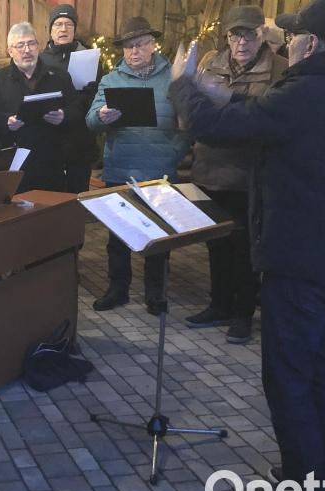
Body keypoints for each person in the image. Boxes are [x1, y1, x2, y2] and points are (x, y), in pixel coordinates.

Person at [169, 0, 325, 491]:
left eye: (292, 36)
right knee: (322, 375)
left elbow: (218, 127)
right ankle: (324, 480)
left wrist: (183, 83)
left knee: (289, 377)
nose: (282, 42)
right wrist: (220, 93)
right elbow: (259, 118)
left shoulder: (310, 91)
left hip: (301, 258)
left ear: (312, 43)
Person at [184, 6, 287, 343]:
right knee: (216, 244)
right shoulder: (209, 65)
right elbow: (192, 113)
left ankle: (242, 314)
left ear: (262, 35)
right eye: (234, 34)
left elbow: (267, 121)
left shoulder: (279, 70)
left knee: (244, 249)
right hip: (209, 169)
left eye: (248, 34)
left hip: (248, 176)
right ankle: (219, 304)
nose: (240, 41)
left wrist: (224, 114)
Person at [85, 17, 188, 314]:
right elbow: (91, 121)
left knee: (158, 238)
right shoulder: (111, 80)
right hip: (122, 169)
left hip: (160, 170)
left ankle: (156, 294)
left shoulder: (174, 77)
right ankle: (117, 289)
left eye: (140, 44)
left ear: (152, 44)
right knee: (118, 237)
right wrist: (101, 117)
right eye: (128, 46)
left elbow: (189, 124)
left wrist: (175, 153)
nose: (134, 51)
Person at [0, 22, 80, 193]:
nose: (27, 50)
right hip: (13, 166)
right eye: (20, 45)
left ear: (38, 46)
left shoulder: (58, 77)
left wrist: (64, 115)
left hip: (51, 162)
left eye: (31, 43)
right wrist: (5, 122)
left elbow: (77, 108)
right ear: (10, 50)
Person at [40, 4, 101, 194]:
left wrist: (92, 91)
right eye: (58, 24)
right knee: (52, 196)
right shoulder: (40, 60)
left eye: (68, 24)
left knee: (78, 194)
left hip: (79, 141)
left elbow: (99, 98)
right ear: (50, 30)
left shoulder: (89, 57)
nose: (63, 29)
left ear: (74, 29)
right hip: (50, 140)